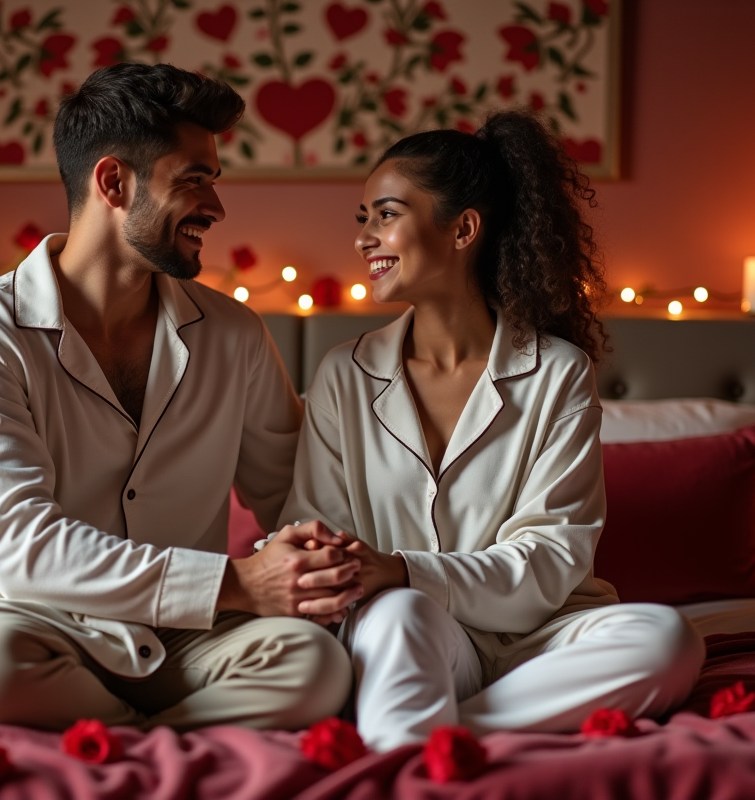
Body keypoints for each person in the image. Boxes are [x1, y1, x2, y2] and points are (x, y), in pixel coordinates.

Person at [0, 63, 357, 732]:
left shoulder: (235, 334)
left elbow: (295, 493)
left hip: (186, 633)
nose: (215, 207)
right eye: (193, 179)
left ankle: (124, 738)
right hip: (23, 617)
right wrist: (240, 583)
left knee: (316, 665)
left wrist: (317, 558)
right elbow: (22, 547)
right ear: (114, 183)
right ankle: (177, 734)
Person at [277, 110, 706, 751]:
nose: (365, 238)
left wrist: (401, 568)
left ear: (463, 230)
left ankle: (437, 732)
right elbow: (317, 523)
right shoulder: (345, 373)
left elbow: (556, 556)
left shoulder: (558, 373)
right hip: (407, 629)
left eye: (386, 214)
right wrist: (355, 573)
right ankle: (422, 751)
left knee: (667, 640)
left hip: (540, 636)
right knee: (398, 616)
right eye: (362, 219)